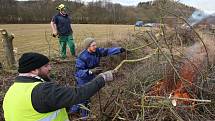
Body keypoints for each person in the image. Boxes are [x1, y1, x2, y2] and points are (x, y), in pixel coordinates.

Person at [3, 52, 114, 121]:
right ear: (33, 70)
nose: (50, 68)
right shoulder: (42, 91)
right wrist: (102, 78)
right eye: (46, 66)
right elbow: (78, 94)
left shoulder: (11, 91)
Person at [70, 37, 127, 118]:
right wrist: (90, 71)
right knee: (84, 96)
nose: (95, 47)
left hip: (91, 77)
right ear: (88, 47)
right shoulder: (82, 57)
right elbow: (78, 72)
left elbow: (107, 51)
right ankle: (81, 114)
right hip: (82, 79)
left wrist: (119, 49)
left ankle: (77, 111)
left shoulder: (97, 51)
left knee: (85, 96)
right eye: (93, 45)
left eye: (95, 45)